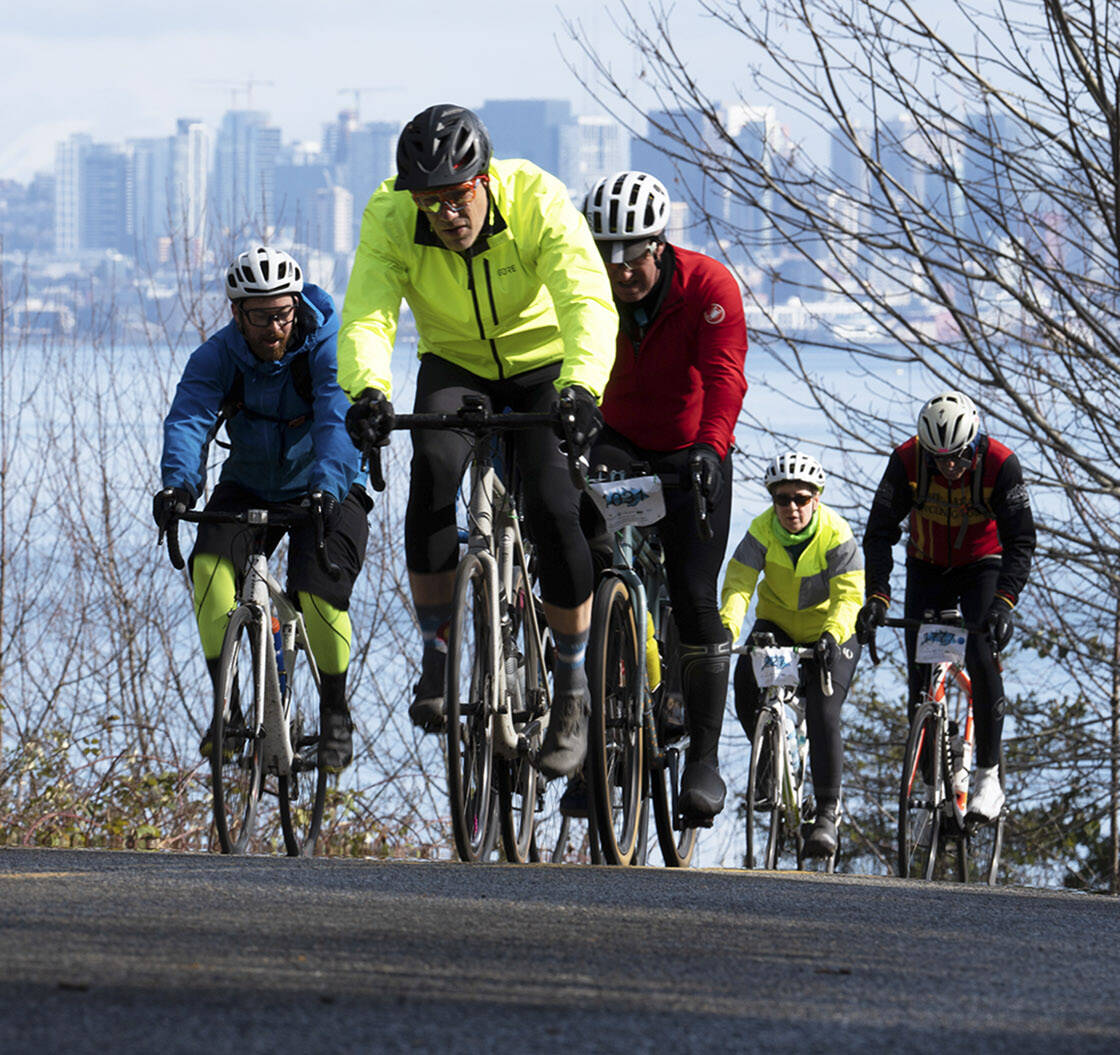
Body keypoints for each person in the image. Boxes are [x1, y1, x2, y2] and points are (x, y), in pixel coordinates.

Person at [338, 103, 618, 779]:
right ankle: (440, 651)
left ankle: (574, 682)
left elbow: (585, 297)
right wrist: (368, 391)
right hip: (455, 362)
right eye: (430, 203)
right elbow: (369, 312)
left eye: (457, 198)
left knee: (555, 505)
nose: (446, 216)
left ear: (484, 181)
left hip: (544, 362)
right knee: (432, 468)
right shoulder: (390, 215)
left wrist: (581, 387)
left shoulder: (537, 199)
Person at [153, 246, 371, 774]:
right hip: (249, 485)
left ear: (296, 306)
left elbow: (336, 420)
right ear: (236, 314)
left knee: (317, 594)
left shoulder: (327, 343)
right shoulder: (218, 356)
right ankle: (227, 712)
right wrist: (178, 487)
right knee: (208, 573)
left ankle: (336, 713)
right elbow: (189, 418)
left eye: (282, 313)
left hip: (329, 485)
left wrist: (326, 485)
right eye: (260, 316)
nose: (273, 327)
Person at [581, 170, 748, 824]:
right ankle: (600, 718)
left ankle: (703, 759)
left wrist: (711, 447)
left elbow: (724, 376)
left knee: (695, 591)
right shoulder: (588, 283)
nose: (619, 269)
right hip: (616, 440)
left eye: (632, 254)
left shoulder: (708, 287)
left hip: (690, 452)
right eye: (607, 253)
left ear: (659, 245)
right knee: (584, 548)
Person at [856, 390, 1035, 822]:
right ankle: (931, 776)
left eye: (957, 457)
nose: (948, 466)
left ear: (974, 444)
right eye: (938, 459)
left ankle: (988, 777)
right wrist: (878, 595)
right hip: (927, 565)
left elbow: (1021, 541)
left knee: (980, 652)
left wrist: (1004, 603)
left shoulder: (1000, 464)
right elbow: (879, 533)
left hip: (982, 565)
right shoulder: (907, 461)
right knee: (920, 676)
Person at [720, 453, 863, 857]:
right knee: (746, 684)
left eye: (801, 498)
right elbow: (738, 584)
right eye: (782, 499)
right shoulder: (761, 529)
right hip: (778, 624)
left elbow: (850, 596)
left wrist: (833, 634)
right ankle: (768, 765)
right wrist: (729, 626)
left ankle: (827, 814)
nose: (791, 508)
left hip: (830, 632)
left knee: (823, 713)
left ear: (816, 498)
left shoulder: (836, 533)